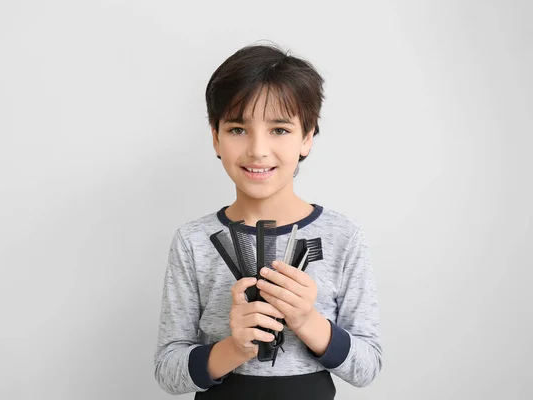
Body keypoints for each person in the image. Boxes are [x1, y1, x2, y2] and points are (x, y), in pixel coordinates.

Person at [154, 43, 382, 399]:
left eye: (279, 130)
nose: (258, 150)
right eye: (237, 129)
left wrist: (307, 321)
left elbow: (367, 367)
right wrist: (235, 348)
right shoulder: (193, 240)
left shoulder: (344, 237)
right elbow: (169, 371)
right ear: (215, 137)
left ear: (307, 138)